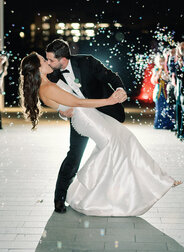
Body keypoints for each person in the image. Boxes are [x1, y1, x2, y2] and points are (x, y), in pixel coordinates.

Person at [20, 52, 182, 216]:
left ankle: (159, 179)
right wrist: (109, 101)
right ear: (37, 68)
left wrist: (63, 109)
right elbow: (77, 102)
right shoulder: (47, 87)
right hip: (85, 118)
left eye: (48, 58)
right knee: (110, 147)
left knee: (126, 138)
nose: (48, 61)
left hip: (91, 114)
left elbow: (67, 101)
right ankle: (102, 196)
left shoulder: (52, 79)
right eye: (43, 60)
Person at [45, 39, 127, 213]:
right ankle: (59, 198)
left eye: (51, 60)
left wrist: (120, 89)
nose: (48, 63)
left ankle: (114, 195)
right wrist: (61, 111)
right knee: (74, 155)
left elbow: (111, 76)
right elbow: (47, 98)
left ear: (63, 58)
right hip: (80, 117)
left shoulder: (87, 62)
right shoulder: (52, 74)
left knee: (116, 149)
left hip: (104, 112)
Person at [150, 53, 175, 129]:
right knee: (159, 108)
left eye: (163, 61)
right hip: (159, 91)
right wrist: (159, 73)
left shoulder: (167, 69)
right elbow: (154, 80)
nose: (161, 63)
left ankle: (168, 124)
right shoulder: (156, 70)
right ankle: (159, 124)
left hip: (166, 91)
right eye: (160, 61)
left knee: (167, 107)